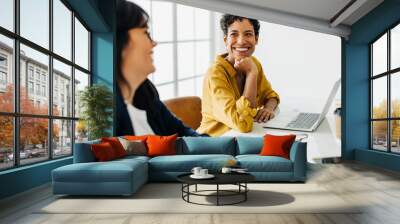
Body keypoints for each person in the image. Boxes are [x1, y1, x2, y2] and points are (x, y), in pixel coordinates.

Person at [116, 0, 201, 137]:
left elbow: (184, 133)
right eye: (146, 33)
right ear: (120, 38)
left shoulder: (147, 95)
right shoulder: (107, 110)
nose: (154, 43)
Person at [197, 14, 280, 136]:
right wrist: (251, 74)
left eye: (248, 34)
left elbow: (270, 96)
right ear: (226, 40)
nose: (241, 41)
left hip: (240, 139)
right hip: (214, 144)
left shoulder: (253, 63)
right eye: (234, 34)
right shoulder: (215, 74)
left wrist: (268, 109)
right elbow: (242, 124)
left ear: (256, 39)